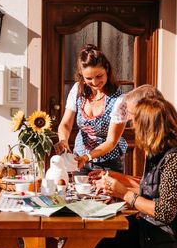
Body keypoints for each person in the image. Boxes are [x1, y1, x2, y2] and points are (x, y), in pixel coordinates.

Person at [93, 97, 177, 248]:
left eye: (136, 123)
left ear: (149, 128)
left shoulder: (175, 159)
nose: (134, 127)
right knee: (102, 237)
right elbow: (154, 193)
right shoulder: (165, 149)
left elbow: (165, 211)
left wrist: (124, 194)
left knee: (103, 244)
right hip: (165, 233)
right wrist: (117, 193)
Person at [54, 44, 127, 173]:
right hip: (79, 159)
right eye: (88, 78)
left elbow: (111, 141)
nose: (94, 82)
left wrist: (87, 157)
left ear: (107, 71)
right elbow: (65, 124)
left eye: (99, 76)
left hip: (108, 163)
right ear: (82, 75)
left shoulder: (119, 99)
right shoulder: (77, 89)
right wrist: (63, 140)